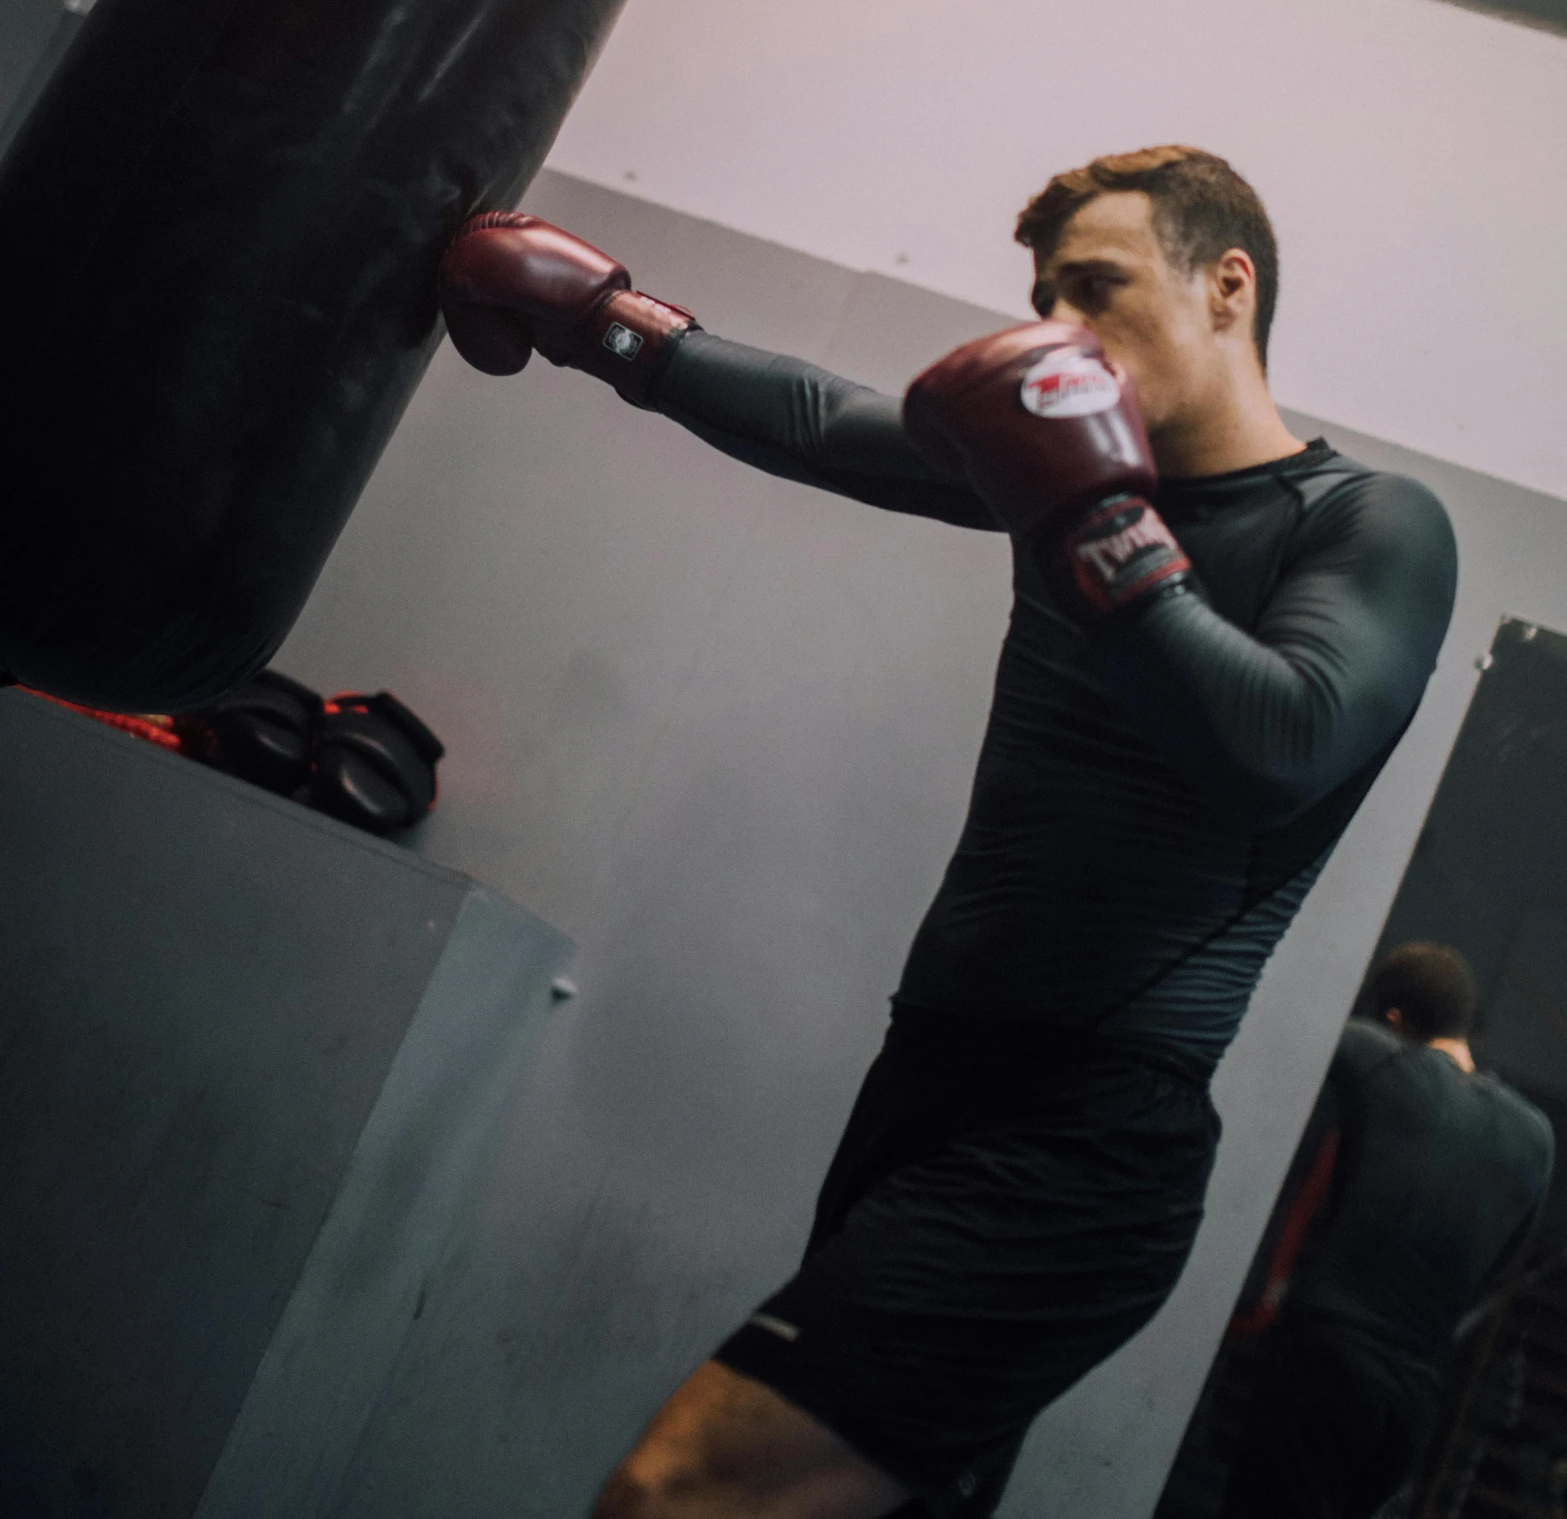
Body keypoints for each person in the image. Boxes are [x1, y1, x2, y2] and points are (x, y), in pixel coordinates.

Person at [438, 144, 1459, 1519]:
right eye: (1044, 298)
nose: (1059, 330)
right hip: (923, 1084)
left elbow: (1280, 740)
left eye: (1095, 287)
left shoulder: (1364, 520)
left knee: (680, 1494)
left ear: (1228, 285)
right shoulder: (1067, 479)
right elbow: (826, 420)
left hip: (1084, 1142)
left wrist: (1086, 519)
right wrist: (598, 319)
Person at [1219, 942, 1555, 1519]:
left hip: (1329, 1366)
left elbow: (1319, 1028)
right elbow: (1496, 1268)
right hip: (1414, 1399)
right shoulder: (1536, 1138)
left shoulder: (1383, 1060)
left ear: (1394, 1019)